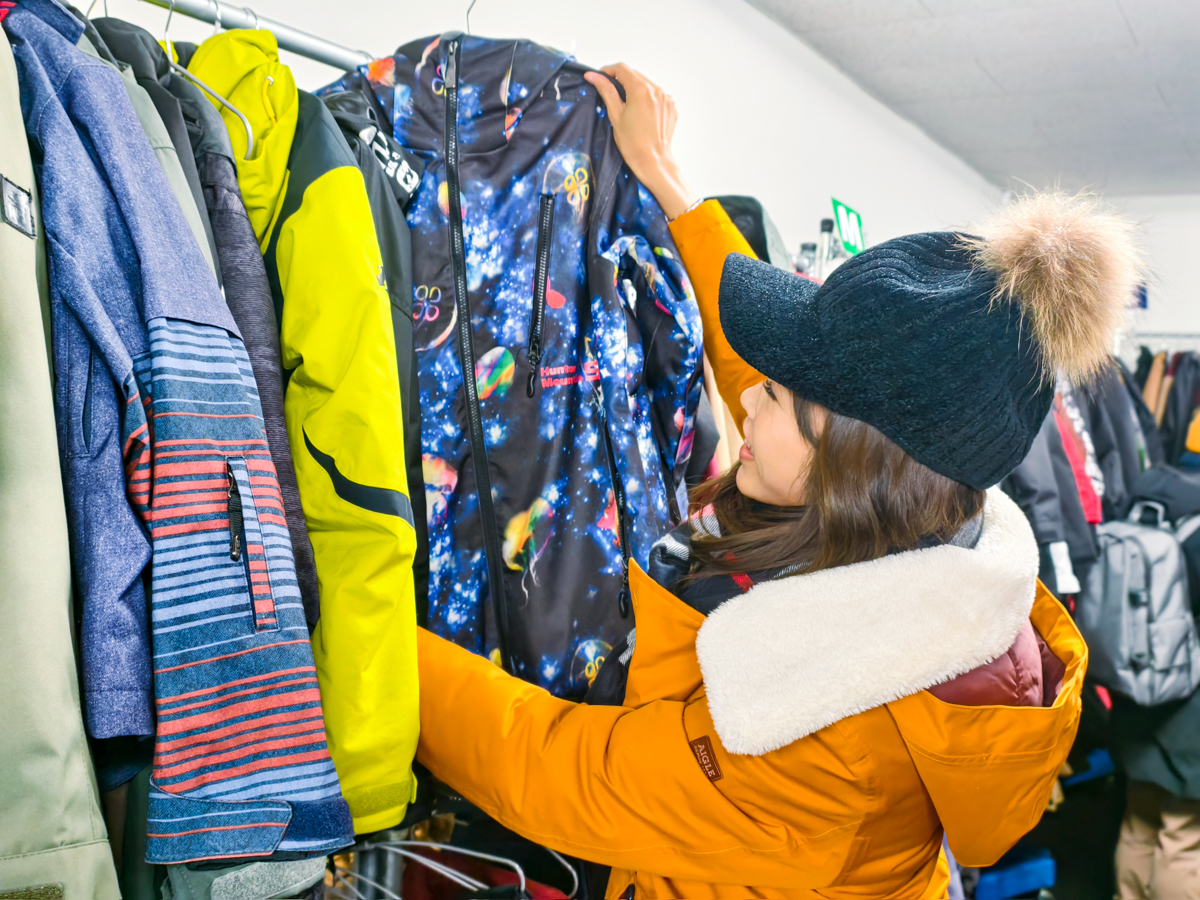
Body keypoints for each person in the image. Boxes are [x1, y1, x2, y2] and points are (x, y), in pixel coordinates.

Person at [412, 64, 1141, 899]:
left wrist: (364, 645)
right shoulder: (925, 520)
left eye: (778, 395)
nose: (747, 397)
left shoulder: (822, 735)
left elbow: (568, 773)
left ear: (855, 464)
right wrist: (674, 190)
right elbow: (783, 387)